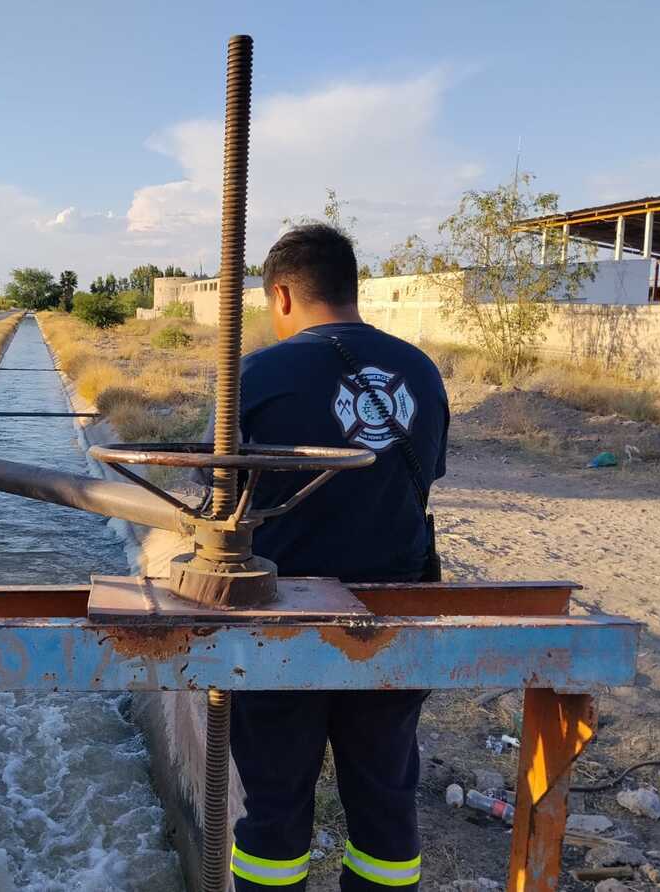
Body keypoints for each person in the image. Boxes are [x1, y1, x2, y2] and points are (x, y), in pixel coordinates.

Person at [226, 224, 449, 891]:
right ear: (351, 287)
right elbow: (424, 479)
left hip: (280, 623)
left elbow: (222, 501)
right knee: (384, 804)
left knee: (273, 813)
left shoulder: (257, 375)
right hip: (393, 616)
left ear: (284, 295)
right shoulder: (420, 370)